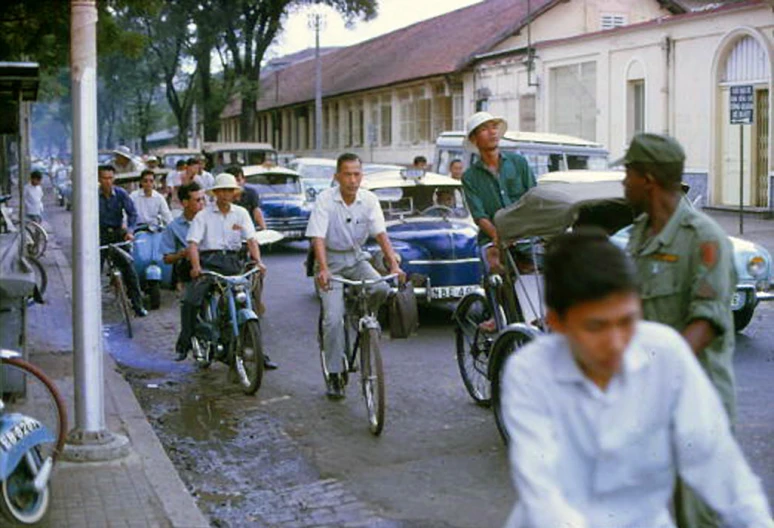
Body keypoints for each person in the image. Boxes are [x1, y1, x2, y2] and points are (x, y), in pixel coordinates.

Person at [500, 229, 773, 528]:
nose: (616, 342)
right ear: (556, 323)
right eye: (596, 326)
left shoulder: (666, 353)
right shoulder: (530, 372)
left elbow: (715, 461)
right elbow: (544, 491)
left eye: (627, 321)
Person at [621, 132, 738, 528]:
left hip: (696, 401)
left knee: (698, 516)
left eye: (628, 173)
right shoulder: (639, 234)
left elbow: (705, 321)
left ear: (648, 179)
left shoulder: (704, 239)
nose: (624, 182)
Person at [306, 152, 405, 399]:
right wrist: (324, 269)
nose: (352, 180)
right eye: (347, 174)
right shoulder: (325, 200)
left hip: (356, 257)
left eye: (357, 174)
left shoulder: (369, 199)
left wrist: (393, 265)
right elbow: (317, 236)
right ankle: (335, 374)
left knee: (381, 288)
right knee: (333, 319)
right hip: (330, 260)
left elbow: (381, 234)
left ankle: (365, 319)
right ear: (337, 176)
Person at [175, 173, 267, 364]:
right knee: (191, 301)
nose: (225, 194)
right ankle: (184, 343)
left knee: (247, 301)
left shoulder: (241, 213)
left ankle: (257, 352)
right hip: (209, 263)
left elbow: (251, 239)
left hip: (233, 263)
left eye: (229, 190)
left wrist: (258, 261)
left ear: (235, 193)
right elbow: (193, 244)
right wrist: (196, 267)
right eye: (222, 190)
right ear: (215, 193)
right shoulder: (203, 216)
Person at [460, 112, 536, 274]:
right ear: (474, 139)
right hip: (492, 239)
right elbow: (479, 216)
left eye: (494, 127)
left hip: (526, 236)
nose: (492, 132)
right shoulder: (470, 177)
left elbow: (533, 197)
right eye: (484, 129)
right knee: (496, 269)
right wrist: (497, 236)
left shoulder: (518, 162)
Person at [98, 164, 147, 317]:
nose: (107, 181)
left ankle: (137, 305)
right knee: (92, 270)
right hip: (99, 236)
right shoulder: (91, 195)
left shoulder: (121, 194)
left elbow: (132, 214)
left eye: (110, 178)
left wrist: (130, 231)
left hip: (119, 234)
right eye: (104, 178)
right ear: (99, 179)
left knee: (129, 267)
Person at [161, 182, 204, 290]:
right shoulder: (173, 227)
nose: (202, 203)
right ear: (185, 203)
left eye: (203, 199)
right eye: (198, 200)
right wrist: (182, 254)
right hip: (189, 268)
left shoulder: (210, 221)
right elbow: (167, 259)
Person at [226, 165, 266, 230]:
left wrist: (264, 229)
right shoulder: (224, 197)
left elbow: (256, 211)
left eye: (238, 180)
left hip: (249, 230)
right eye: (233, 182)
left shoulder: (251, 193)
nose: (236, 184)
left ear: (244, 180)